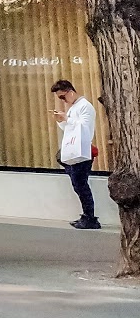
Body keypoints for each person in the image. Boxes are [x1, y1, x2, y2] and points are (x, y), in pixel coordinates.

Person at [52, 79, 101, 230]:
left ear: (70, 92)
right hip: (75, 150)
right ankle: (88, 216)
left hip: (82, 151)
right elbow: (71, 128)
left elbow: (85, 128)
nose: (63, 100)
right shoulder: (75, 107)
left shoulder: (85, 106)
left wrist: (66, 118)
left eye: (62, 97)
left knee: (81, 185)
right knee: (79, 185)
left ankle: (90, 218)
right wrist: (61, 120)